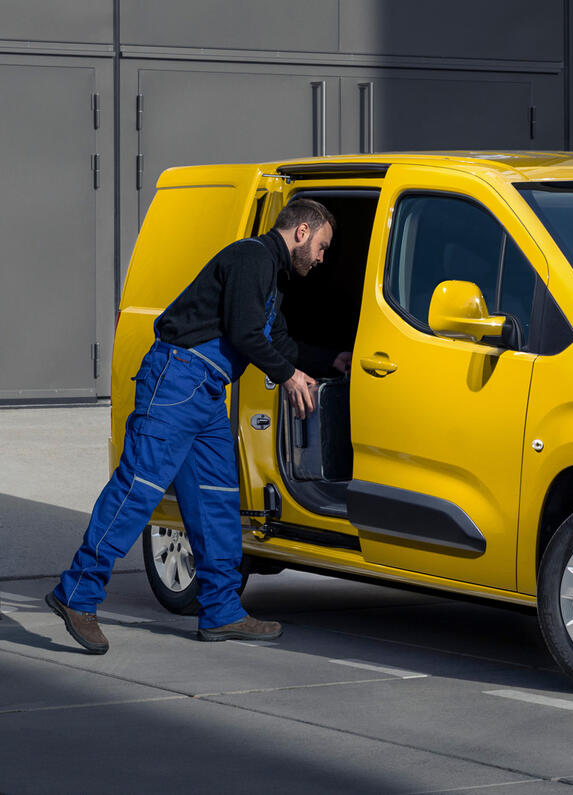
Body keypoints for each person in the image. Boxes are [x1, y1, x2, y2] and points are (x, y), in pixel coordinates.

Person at [46, 197, 349, 654]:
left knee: (217, 501)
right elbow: (246, 333)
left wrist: (332, 361)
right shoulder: (252, 257)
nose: (323, 257)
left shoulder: (271, 279)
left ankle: (222, 611)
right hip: (177, 380)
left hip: (207, 392)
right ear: (301, 233)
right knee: (138, 489)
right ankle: (77, 594)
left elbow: (278, 339)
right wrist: (288, 378)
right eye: (323, 246)